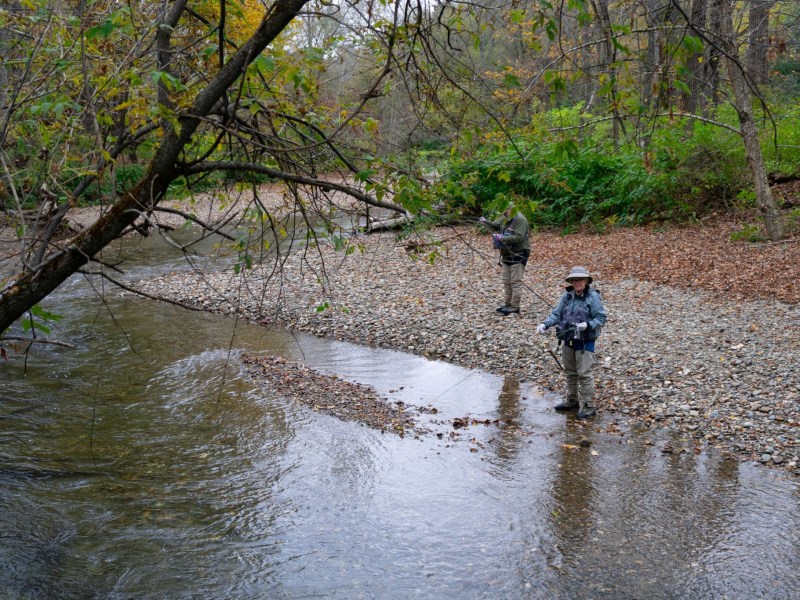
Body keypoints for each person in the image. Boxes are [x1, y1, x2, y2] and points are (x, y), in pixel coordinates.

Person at [536, 266, 607, 418]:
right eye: (574, 280)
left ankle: (589, 405)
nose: (577, 283)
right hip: (568, 341)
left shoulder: (592, 296)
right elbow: (556, 314)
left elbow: (601, 318)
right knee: (571, 373)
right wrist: (545, 324)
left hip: (585, 343)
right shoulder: (567, 296)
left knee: (584, 374)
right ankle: (572, 401)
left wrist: (588, 325)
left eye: (580, 279)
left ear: (586, 280)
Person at [479, 204, 530, 316]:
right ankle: (507, 304)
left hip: (519, 253)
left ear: (510, 209)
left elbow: (519, 237)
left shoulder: (520, 220)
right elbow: (496, 225)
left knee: (516, 281)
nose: (503, 213)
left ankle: (515, 307)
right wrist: (485, 221)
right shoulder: (505, 217)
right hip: (506, 253)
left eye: (505, 211)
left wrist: (502, 238)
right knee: (506, 280)